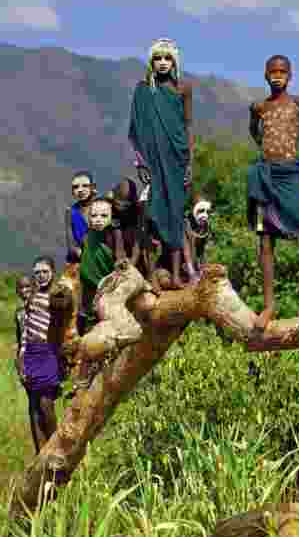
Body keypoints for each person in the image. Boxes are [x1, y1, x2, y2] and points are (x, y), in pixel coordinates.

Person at [247, 54, 299, 338]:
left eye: (282, 72)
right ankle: (269, 305)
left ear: (290, 76)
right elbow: (253, 132)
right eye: (273, 72)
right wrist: (265, 150)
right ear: (266, 75)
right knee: (265, 239)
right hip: (265, 177)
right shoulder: (259, 107)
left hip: (290, 175)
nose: (277, 76)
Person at [128, 38, 194, 289]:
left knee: (175, 214)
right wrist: (140, 161)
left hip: (177, 159)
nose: (163, 63)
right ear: (151, 62)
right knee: (151, 215)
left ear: (175, 62)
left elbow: (188, 126)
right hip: (153, 161)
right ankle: (151, 275)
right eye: (158, 58)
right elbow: (136, 128)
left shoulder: (183, 88)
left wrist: (190, 163)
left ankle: (177, 276)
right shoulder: (143, 90)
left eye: (168, 58)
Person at [20, 256, 66, 453]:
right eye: (37, 272)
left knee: (46, 403)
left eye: (45, 272)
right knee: (35, 405)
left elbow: (65, 311)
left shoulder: (58, 294)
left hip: (48, 351)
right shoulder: (31, 296)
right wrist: (22, 356)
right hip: (31, 351)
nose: (41, 276)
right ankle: (42, 452)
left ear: (53, 272)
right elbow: (25, 327)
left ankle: (56, 446)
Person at [78, 197, 125, 336]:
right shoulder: (88, 235)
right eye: (94, 216)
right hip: (87, 285)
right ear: (88, 218)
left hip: (106, 285)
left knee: (104, 317)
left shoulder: (114, 234)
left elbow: (120, 258)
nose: (98, 219)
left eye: (104, 216)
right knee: (87, 315)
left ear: (112, 217)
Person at [64, 171, 97, 265]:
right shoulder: (70, 212)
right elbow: (71, 245)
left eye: (85, 186)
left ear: (93, 187)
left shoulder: (102, 207)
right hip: (80, 261)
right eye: (76, 187)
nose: (80, 190)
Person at [183, 194, 214, 282]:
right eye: (201, 210)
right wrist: (192, 272)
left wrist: (204, 268)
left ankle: (199, 271)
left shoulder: (206, 225)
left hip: (195, 263)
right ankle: (191, 272)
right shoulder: (185, 223)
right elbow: (186, 250)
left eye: (207, 211)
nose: (204, 214)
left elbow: (205, 250)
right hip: (183, 263)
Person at [14, 275, 34, 379]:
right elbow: (19, 337)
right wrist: (17, 358)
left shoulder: (41, 307)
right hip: (24, 356)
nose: (24, 290)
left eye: (27, 286)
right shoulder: (19, 312)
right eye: (21, 288)